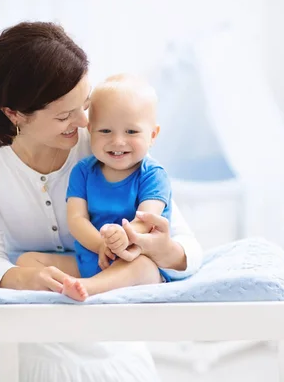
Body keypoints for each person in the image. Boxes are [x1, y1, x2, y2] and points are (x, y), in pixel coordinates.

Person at [0, 21, 203, 382]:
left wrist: (162, 250)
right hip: (28, 334)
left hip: (110, 339)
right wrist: (29, 279)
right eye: (65, 115)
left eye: (84, 104)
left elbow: (187, 249)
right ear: (14, 113)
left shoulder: (104, 139)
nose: (85, 121)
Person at [16, 74, 174, 301]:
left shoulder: (152, 174)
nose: (118, 141)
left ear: (152, 135)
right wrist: (101, 244)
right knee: (26, 261)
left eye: (131, 132)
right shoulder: (83, 171)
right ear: (90, 130)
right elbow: (76, 219)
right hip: (93, 256)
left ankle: (86, 287)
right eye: (105, 131)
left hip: (132, 257)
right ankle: (77, 284)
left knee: (143, 267)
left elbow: (146, 219)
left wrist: (123, 237)